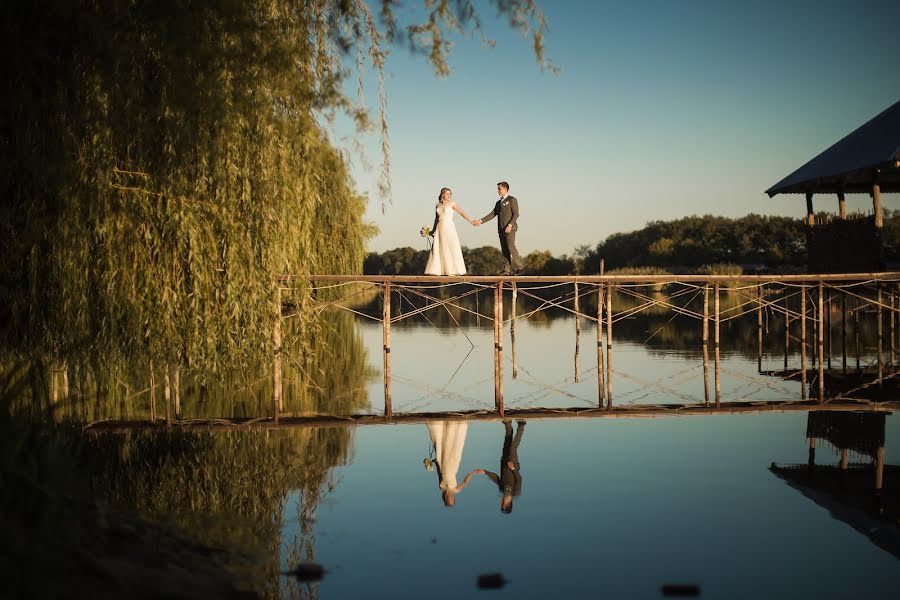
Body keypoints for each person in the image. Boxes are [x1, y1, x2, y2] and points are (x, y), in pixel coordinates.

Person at [426, 421, 483, 507]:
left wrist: (435, 463)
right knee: (453, 447)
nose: (452, 498)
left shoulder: (441, 488)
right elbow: (465, 482)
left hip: (443, 467)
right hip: (452, 467)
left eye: (450, 500)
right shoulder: (456, 490)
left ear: (446, 498)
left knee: (442, 447)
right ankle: (455, 424)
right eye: (453, 500)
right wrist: (473, 473)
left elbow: (439, 475)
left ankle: (441, 424)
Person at [474, 181, 523, 275]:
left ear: (505, 189)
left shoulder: (512, 199)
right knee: (504, 249)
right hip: (501, 229)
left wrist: (510, 225)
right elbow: (492, 214)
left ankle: (520, 268)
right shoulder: (498, 203)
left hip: (510, 228)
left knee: (511, 246)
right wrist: (480, 221)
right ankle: (506, 270)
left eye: (499, 189)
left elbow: (516, 214)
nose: (498, 191)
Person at [424, 187, 475, 276]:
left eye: (450, 194)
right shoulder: (437, 205)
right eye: (447, 194)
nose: (449, 195)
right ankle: (438, 270)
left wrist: (470, 221)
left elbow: (461, 212)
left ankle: (451, 270)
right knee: (439, 247)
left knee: (450, 246)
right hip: (440, 227)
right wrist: (432, 230)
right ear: (442, 194)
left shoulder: (452, 204)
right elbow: (436, 219)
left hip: (449, 227)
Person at [480, 420, 525, 513]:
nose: (501, 503)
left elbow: (496, 478)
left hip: (504, 462)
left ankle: (508, 424)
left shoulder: (502, 490)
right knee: (513, 447)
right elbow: (519, 479)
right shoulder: (515, 492)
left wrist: (485, 472)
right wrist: (513, 468)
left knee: (507, 443)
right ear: (507, 504)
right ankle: (521, 425)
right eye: (502, 504)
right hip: (513, 464)